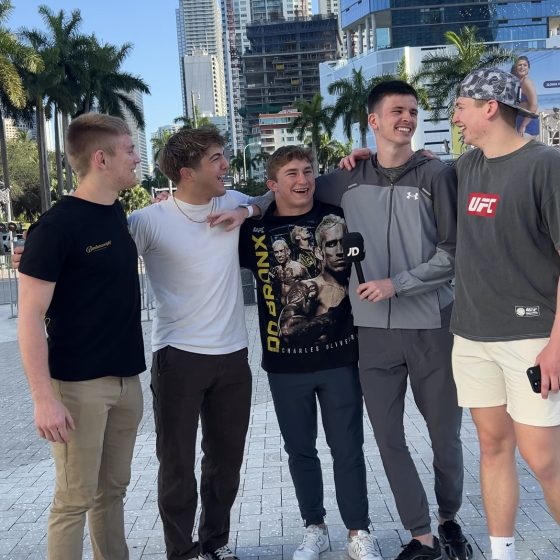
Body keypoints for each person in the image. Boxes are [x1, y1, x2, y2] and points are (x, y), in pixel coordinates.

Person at [315, 81, 472, 560]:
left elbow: (453, 253)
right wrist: (249, 206)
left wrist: (396, 284)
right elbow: (289, 191)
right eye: (397, 111)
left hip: (432, 326)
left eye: (413, 111)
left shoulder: (437, 174)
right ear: (374, 121)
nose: (407, 118)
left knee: (445, 438)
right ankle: (420, 535)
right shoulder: (347, 178)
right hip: (373, 335)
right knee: (389, 439)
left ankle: (448, 518)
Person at [127, 126, 265, 560]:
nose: (226, 165)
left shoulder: (231, 199)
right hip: (178, 358)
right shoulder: (148, 221)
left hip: (233, 358)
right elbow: (99, 250)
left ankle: (214, 543)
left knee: (225, 462)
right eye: (216, 159)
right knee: (176, 465)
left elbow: (272, 197)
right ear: (187, 173)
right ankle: (181, 551)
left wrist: (246, 211)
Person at [238, 146, 380, 560]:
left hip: (339, 357)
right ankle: (314, 527)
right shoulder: (253, 230)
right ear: (272, 184)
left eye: (308, 171)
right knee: (300, 451)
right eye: (292, 174)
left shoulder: (338, 216)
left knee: (347, 448)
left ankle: (358, 531)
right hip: (284, 363)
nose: (303, 180)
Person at [17, 113, 146, 559]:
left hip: (127, 380)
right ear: (101, 159)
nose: (137, 158)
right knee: (73, 500)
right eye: (130, 149)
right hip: (77, 388)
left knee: (112, 492)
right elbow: (29, 317)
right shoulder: (55, 227)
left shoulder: (115, 212)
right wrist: (43, 399)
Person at [451, 67, 560, 560]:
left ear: (489, 107)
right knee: (493, 446)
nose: (456, 117)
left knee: (544, 460)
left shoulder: (545, 165)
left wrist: (555, 345)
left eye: (461, 107)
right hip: (473, 336)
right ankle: (503, 553)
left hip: (531, 338)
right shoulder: (467, 166)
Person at [511, 56, 539, 138]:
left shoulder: (527, 82)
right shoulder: (520, 82)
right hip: (521, 122)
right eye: (519, 65)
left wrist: (523, 125)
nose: (522, 67)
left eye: (525, 65)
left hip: (527, 125)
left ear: (528, 68)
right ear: (516, 68)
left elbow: (534, 105)